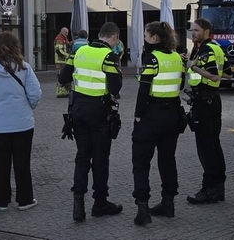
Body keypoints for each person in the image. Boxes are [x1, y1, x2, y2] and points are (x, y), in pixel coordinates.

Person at [58, 22, 124, 222]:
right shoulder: (109, 56)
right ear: (114, 37)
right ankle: (100, 203)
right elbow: (114, 88)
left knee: (82, 156)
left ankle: (78, 206)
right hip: (99, 112)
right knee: (100, 159)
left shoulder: (79, 51)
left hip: (77, 111)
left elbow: (63, 77)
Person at [0, 32, 42, 212]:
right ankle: (25, 199)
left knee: (1, 164)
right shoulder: (25, 68)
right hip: (22, 123)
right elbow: (35, 94)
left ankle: (1, 201)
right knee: (22, 163)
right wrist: (28, 107)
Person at [131, 21, 185, 226]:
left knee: (141, 162)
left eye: (145, 36)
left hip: (151, 115)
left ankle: (142, 209)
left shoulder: (151, 59)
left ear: (154, 38)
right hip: (172, 115)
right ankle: (168, 203)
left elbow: (143, 89)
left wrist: (138, 115)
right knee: (167, 160)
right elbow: (181, 84)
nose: (144, 39)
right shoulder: (176, 58)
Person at [186, 18, 228, 205]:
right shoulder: (217, 48)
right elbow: (229, 73)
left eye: (196, 30)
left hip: (205, 101)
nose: (192, 33)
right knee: (213, 145)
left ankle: (209, 189)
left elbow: (214, 74)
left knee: (205, 147)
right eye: (192, 30)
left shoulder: (206, 50)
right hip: (212, 99)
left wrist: (193, 66)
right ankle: (218, 188)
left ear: (206, 31)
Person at [54, 27, 72, 98]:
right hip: (60, 62)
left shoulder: (64, 39)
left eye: (67, 32)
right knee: (61, 76)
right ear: (62, 32)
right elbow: (59, 51)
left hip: (63, 61)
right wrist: (68, 55)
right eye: (65, 32)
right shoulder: (59, 39)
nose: (67, 34)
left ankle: (65, 91)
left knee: (64, 76)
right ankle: (59, 91)